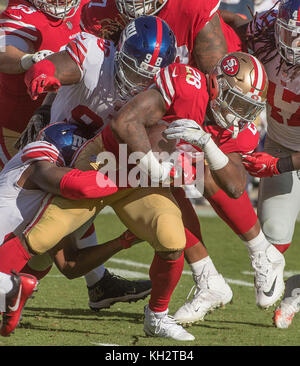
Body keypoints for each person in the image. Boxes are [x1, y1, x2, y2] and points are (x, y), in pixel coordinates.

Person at [76, 0, 288, 320]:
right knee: (166, 176)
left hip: (219, 91)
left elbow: (214, 77)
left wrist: (200, 138)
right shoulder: (103, 10)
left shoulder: (191, 8)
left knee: (194, 170)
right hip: (171, 93)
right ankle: (211, 276)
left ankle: (259, 254)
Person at [0, 0, 154, 308]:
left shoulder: (92, 15)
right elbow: (9, 55)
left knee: (56, 233)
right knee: (41, 224)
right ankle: (11, 286)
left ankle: (18, 288)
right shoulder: (25, 12)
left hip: (76, 140)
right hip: (32, 132)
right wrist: (34, 63)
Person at [0, 121, 149, 336]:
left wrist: (122, 241)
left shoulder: (46, 202)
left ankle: (10, 291)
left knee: (41, 256)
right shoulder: (41, 159)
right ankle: (11, 288)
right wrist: (131, 177)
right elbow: (77, 186)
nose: (89, 163)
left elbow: (70, 264)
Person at [234, 0, 300, 328]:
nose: (291, 41)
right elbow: (236, 35)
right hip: (279, 143)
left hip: (284, 155)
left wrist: (278, 165)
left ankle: (297, 291)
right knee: (273, 238)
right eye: (288, 32)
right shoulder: (267, 30)